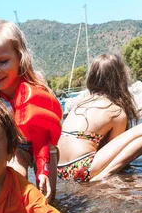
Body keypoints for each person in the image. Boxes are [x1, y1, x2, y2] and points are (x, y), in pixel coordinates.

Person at [0, 19, 62, 202]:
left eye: (3, 62)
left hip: (44, 146)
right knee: (13, 187)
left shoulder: (33, 93)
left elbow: (43, 139)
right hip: (17, 147)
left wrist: (43, 169)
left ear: (20, 58)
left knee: (48, 196)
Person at [57, 53, 141, 182]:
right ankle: (102, 176)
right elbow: (116, 152)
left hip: (59, 169)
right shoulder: (115, 112)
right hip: (80, 168)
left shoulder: (81, 103)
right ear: (120, 78)